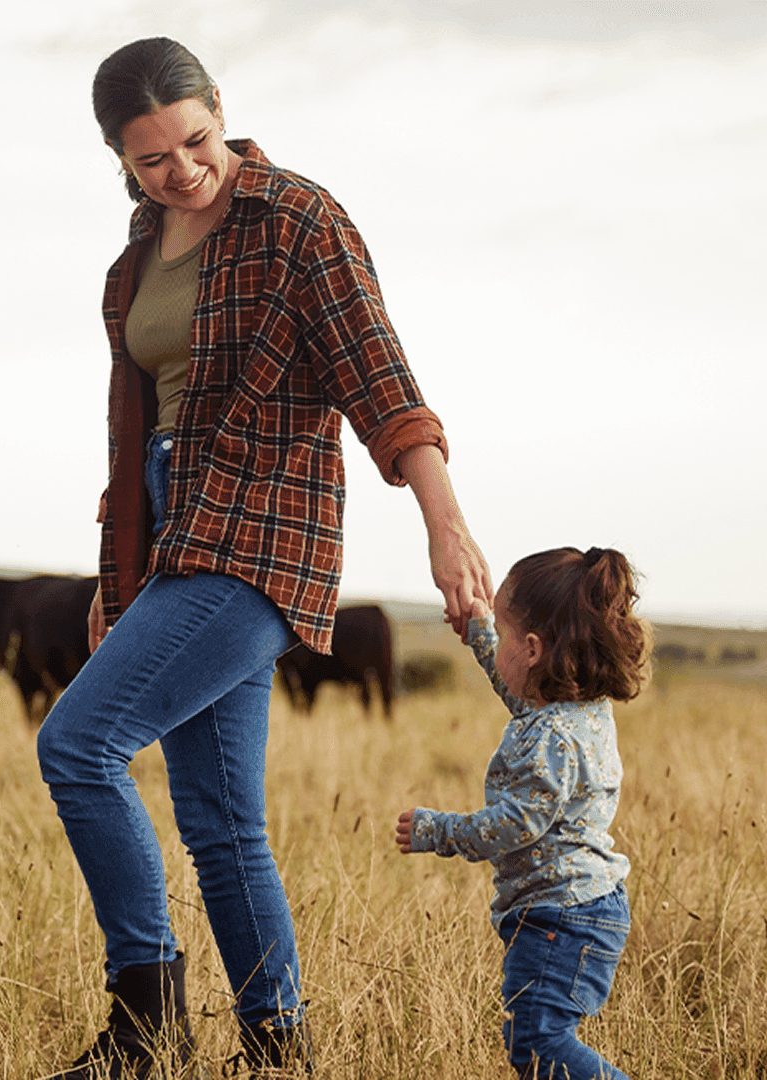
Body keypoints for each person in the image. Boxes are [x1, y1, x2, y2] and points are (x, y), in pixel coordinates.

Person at [35, 37, 492, 1079]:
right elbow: (133, 431)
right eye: (152, 159)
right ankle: (277, 1052)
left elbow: (378, 377)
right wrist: (122, 575)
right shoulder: (132, 261)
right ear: (119, 157)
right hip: (168, 532)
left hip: (261, 534)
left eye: (194, 142)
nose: (181, 170)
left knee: (76, 749)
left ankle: (145, 1028)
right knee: (221, 823)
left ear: (218, 110)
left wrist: (443, 519)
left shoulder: (298, 219)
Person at [395, 547, 648, 1080]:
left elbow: (514, 824)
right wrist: (483, 632)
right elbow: (514, 681)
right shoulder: (575, 710)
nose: (501, 647)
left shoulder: (551, 736)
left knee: (537, 1042)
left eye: (507, 636)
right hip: (578, 909)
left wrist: (438, 830)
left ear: (533, 650)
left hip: (561, 916)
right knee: (534, 1041)